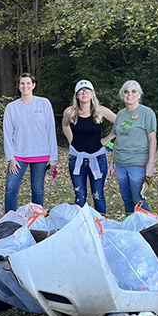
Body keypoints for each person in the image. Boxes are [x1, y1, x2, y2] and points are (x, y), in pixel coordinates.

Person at [3, 73, 58, 213]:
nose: (25, 86)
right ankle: (9, 218)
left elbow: (51, 130)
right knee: (11, 188)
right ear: (19, 86)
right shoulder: (11, 107)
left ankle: (37, 218)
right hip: (19, 155)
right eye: (22, 83)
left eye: (28, 83)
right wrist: (10, 158)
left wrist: (53, 157)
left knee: (37, 189)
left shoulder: (44, 103)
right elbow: (8, 134)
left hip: (41, 153)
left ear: (33, 85)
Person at [61, 80, 117, 215]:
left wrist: (109, 138)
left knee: (98, 195)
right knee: (79, 196)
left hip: (97, 158)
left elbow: (123, 123)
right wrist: (71, 140)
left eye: (87, 90)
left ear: (93, 93)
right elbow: (65, 125)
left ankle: (101, 224)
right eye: (81, 90)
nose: (84, 93)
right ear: (76, 95)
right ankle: (80, 224)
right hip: (77, 158)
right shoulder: (70, 112)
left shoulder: (101, 111)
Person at [108, 80, 156, 214]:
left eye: (134, 91)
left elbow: (152, 138)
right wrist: (111, 163)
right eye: (126, 92)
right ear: (122, 95)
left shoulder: (147, 113)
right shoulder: (121, 114)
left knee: (138, 199)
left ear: (139, 95)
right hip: (120, 163)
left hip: (137, 163)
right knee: (127, 199)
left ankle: (149, 224)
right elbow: (118, 138)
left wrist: (151, 163)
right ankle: (130, 223)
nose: (130, 94)